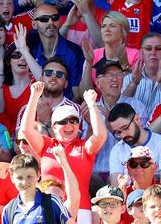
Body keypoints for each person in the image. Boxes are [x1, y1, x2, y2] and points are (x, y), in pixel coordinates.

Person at [22, 82, 106, 224]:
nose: (69, 125)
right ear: (53, 127)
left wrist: (92, 105)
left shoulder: (84, 147)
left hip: (81, 210)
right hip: (49, 207)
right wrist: (34, 96)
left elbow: (100, 136)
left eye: (74, 121)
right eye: (63, 121)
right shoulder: (46, 144)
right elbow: (26, 130)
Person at [1, 154, 72, 224]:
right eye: (20, 178)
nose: (24, 182)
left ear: (38, 175)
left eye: (29, 176)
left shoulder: (52, 202)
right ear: (12, 178)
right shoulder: (9, 210)